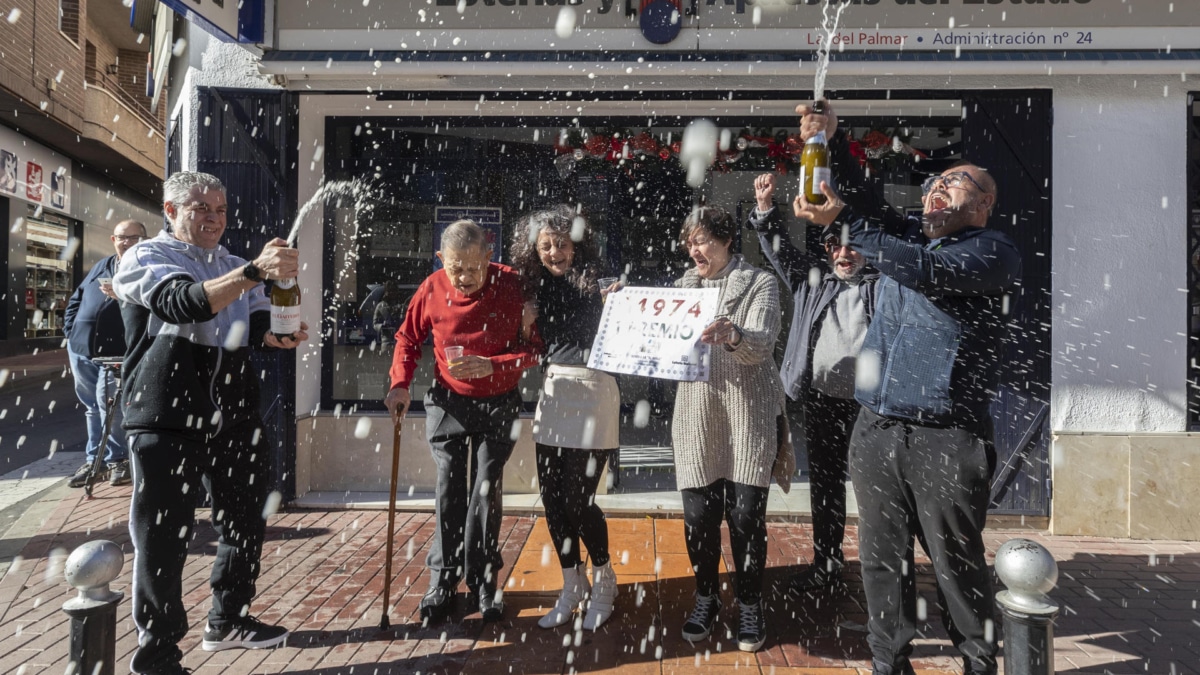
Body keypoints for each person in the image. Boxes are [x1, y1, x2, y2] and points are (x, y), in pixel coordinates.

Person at [795, 101, 1020, 675]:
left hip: (948, 437)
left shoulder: (992, 252)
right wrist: (832, 143)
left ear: (985, 202)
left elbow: (926, 270)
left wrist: (853, 224)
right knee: (879, 558)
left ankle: (976, 661)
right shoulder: (904, 239)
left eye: (955, 183)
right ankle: (888, 662)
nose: (936, 191)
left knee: (955, 562)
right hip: (876, 428)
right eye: (932, 185)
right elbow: (864, 209)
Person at [113, 171, 308, 675]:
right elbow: (183, 302)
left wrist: (278, 333)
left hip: (234, 412)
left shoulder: (231, 263)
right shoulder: (146, 257)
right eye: (201, 209)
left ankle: (228, 619)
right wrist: (252, 273)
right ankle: (156, 655)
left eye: (220, 210)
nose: (214, 219)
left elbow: (258, 320)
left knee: (246, 514)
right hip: (165, 412)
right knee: (165, 533)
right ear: (171, 210)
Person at [384, 219, 542, 624]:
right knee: (449, 486)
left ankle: (485, 579)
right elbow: (408, 338)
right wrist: (399, 384)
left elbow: (535, 350)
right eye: (457, 267)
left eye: (475, 267)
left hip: (499, 401)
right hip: (448, 401)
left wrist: (492, 364)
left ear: (491, 256)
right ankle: (443, 579)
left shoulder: (513, 285)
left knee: (485, 490)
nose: (466, 277)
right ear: (441, 259)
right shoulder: (433, 287)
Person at [747, 173, 878, 592]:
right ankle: (827, 565)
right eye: (833, 246)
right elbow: (782, 254)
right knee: (825, 487)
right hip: (822, 401)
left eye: (851, 245)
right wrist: (767, 212)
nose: (842, 254)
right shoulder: (813, 282)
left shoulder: (885, 287)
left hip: (870, 408)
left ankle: (884, 574)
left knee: (876, 490)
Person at [671, 206, 785, 653]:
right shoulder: (682, 288)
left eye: (701, 240)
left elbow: (762, 341)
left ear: (725, 241)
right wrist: (626, 308)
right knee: (699, 518)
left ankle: (751, 603)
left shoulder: (760, 283)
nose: (694, 250)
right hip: (696, 415)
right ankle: (706, 597)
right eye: (689, 242)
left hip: (747, 416)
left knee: (745, 518)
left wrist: (735, 335)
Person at [510, 205, 620, 631]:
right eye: (546, 246)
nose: (555, 252)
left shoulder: (599, 280)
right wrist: (523, 323)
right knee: (554, 503)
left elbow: (629, 314)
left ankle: (605, 578)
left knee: (579, 499)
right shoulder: (532, 289)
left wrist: (619, 298)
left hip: (593, 391)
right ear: (535, 251)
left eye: (562, 244)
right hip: (554, 392)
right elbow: (525, 342)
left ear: (577, 245)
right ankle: (571, 584)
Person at [63, 219, 147, 488]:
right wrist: (71, 328)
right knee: (91, 406)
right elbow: (78, 297)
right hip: (81, 347)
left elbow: (149, 306)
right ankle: (94, 461)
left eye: (134, 237)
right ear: (113, 239)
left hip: (114, 351)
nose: (127, 242)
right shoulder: (104, 264)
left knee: (108, 404)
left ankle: (117, 459)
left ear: (144, 240)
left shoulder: (146, 268)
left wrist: (122, 296)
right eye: (122, 237)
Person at [372, 280, 407, 346]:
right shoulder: (381, 306)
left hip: (400, 341)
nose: (392, 293)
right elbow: (374, 324)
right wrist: (382, 326)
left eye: (394, 291)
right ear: (386, 292)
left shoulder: (402, 306)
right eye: (390, 291)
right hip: (386, 341)